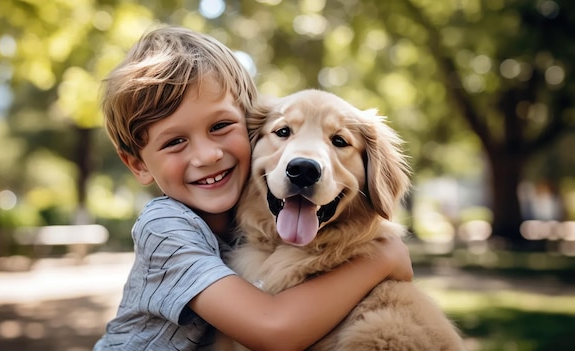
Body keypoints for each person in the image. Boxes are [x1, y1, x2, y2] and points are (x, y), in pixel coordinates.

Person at [94, 25, 413, 351]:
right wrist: (380, 259)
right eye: (175, 141)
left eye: (220, 126)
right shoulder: (164, 228)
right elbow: (272, 329)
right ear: (139, 164)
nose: (208, 155)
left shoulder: (247, 217)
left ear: (248, 130)